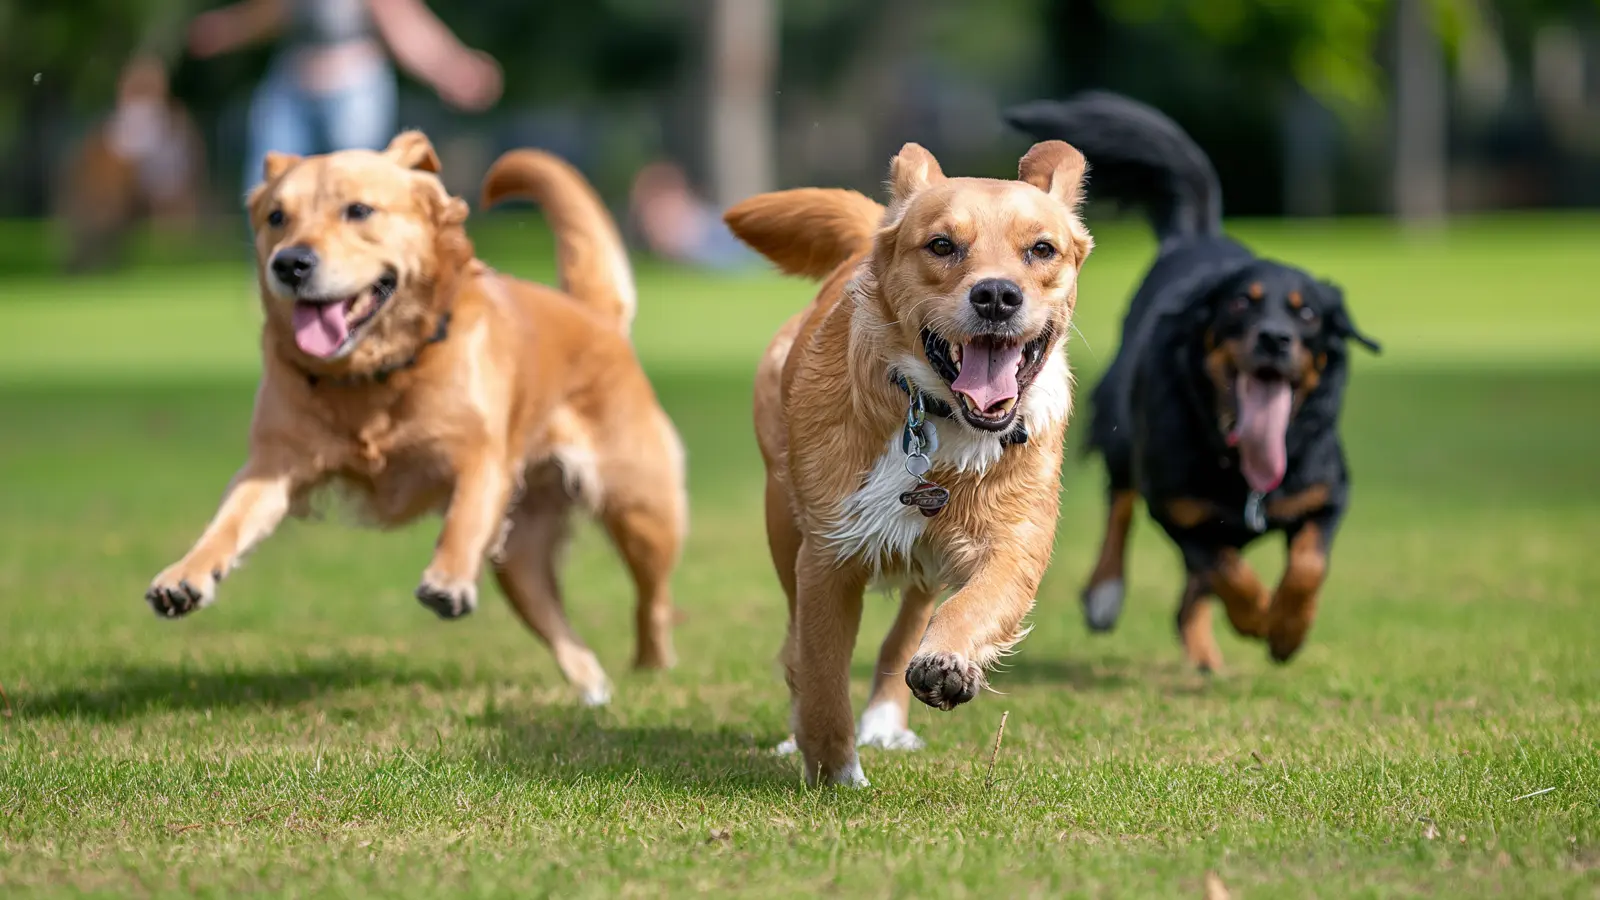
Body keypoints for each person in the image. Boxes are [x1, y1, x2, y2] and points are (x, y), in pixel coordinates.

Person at [187, 0, 502, 191]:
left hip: (354, 88)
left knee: (354, 191)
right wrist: (226, 30)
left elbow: (403, 25)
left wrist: (452, 68)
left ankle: (358, 283)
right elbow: (276, 12)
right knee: (268, 186)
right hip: (290, 84)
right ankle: (278, 291)